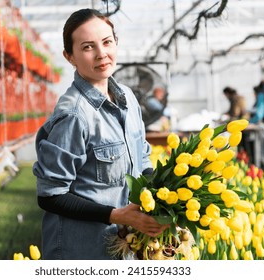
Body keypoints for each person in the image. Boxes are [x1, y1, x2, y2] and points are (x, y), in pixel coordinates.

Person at [32, 8, 168, 260]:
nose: (101, 53)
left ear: (116, 42)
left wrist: (160, 200)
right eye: (87, 47)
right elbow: (50, 195)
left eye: (107, 42)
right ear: (69, 56)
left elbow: (142, 160)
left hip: (124, 245)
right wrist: (115, 215)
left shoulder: (127, 97)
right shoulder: (73, 115)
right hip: (82, 251)